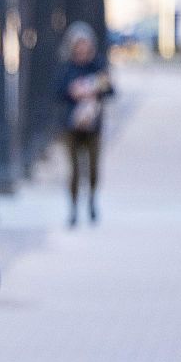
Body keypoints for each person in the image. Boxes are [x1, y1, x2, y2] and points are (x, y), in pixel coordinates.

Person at [55, 22, 114, 227]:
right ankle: (73, 207)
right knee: (73, 169)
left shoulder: (97, 67)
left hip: (93, 126)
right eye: (78, 45)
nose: (82, 49)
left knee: (93, 167)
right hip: (71, 126)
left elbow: (110, 90)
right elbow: (57, 92)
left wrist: (95, 89)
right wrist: (73, 91)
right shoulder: (67, 68)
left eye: (85, 45)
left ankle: (91, 200)